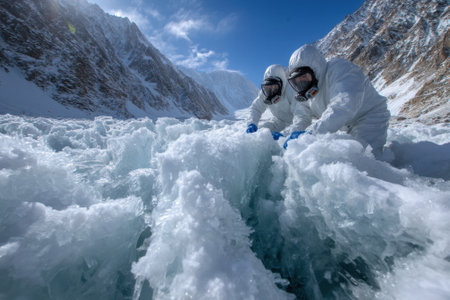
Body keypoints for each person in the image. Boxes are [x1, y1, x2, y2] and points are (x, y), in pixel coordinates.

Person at [283, 44, 390, 157]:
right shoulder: (306, 93)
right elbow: (302, 118)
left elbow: (343, 105)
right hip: (345, 125)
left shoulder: (340, 69)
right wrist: (286, 135)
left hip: (370, 118)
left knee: (364, 159)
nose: (302, 84)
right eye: (297, 82)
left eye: (305, 78)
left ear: (316, 71)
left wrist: (312, 132)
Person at [246, 64, 302, 140]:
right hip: (279, 122)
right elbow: (256, 108)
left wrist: (285, 134)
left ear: (281, 84)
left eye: (274, 87)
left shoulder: (291, 90)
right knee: (260, 134)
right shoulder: (265, 93)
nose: (271, 90)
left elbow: (301, 117)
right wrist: (252, 123)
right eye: (268, 87)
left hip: (296, 123)